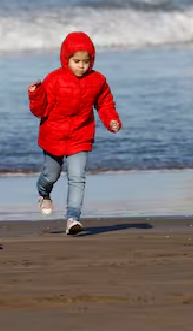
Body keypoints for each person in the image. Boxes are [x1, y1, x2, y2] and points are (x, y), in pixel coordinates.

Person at [28, 32, 121, 235]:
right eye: (76, 61)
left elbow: (105, 103)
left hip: (81, 136)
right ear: (66, 59)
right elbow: (40, 111)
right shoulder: (54, 79)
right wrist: (35, 95)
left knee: (77, 177)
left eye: (86, 61)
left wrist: (111, 120)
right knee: (50, 175)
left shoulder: (97, 80)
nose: (82, 66)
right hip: (53, 136)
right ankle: (43, 193)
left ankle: (73, 218)